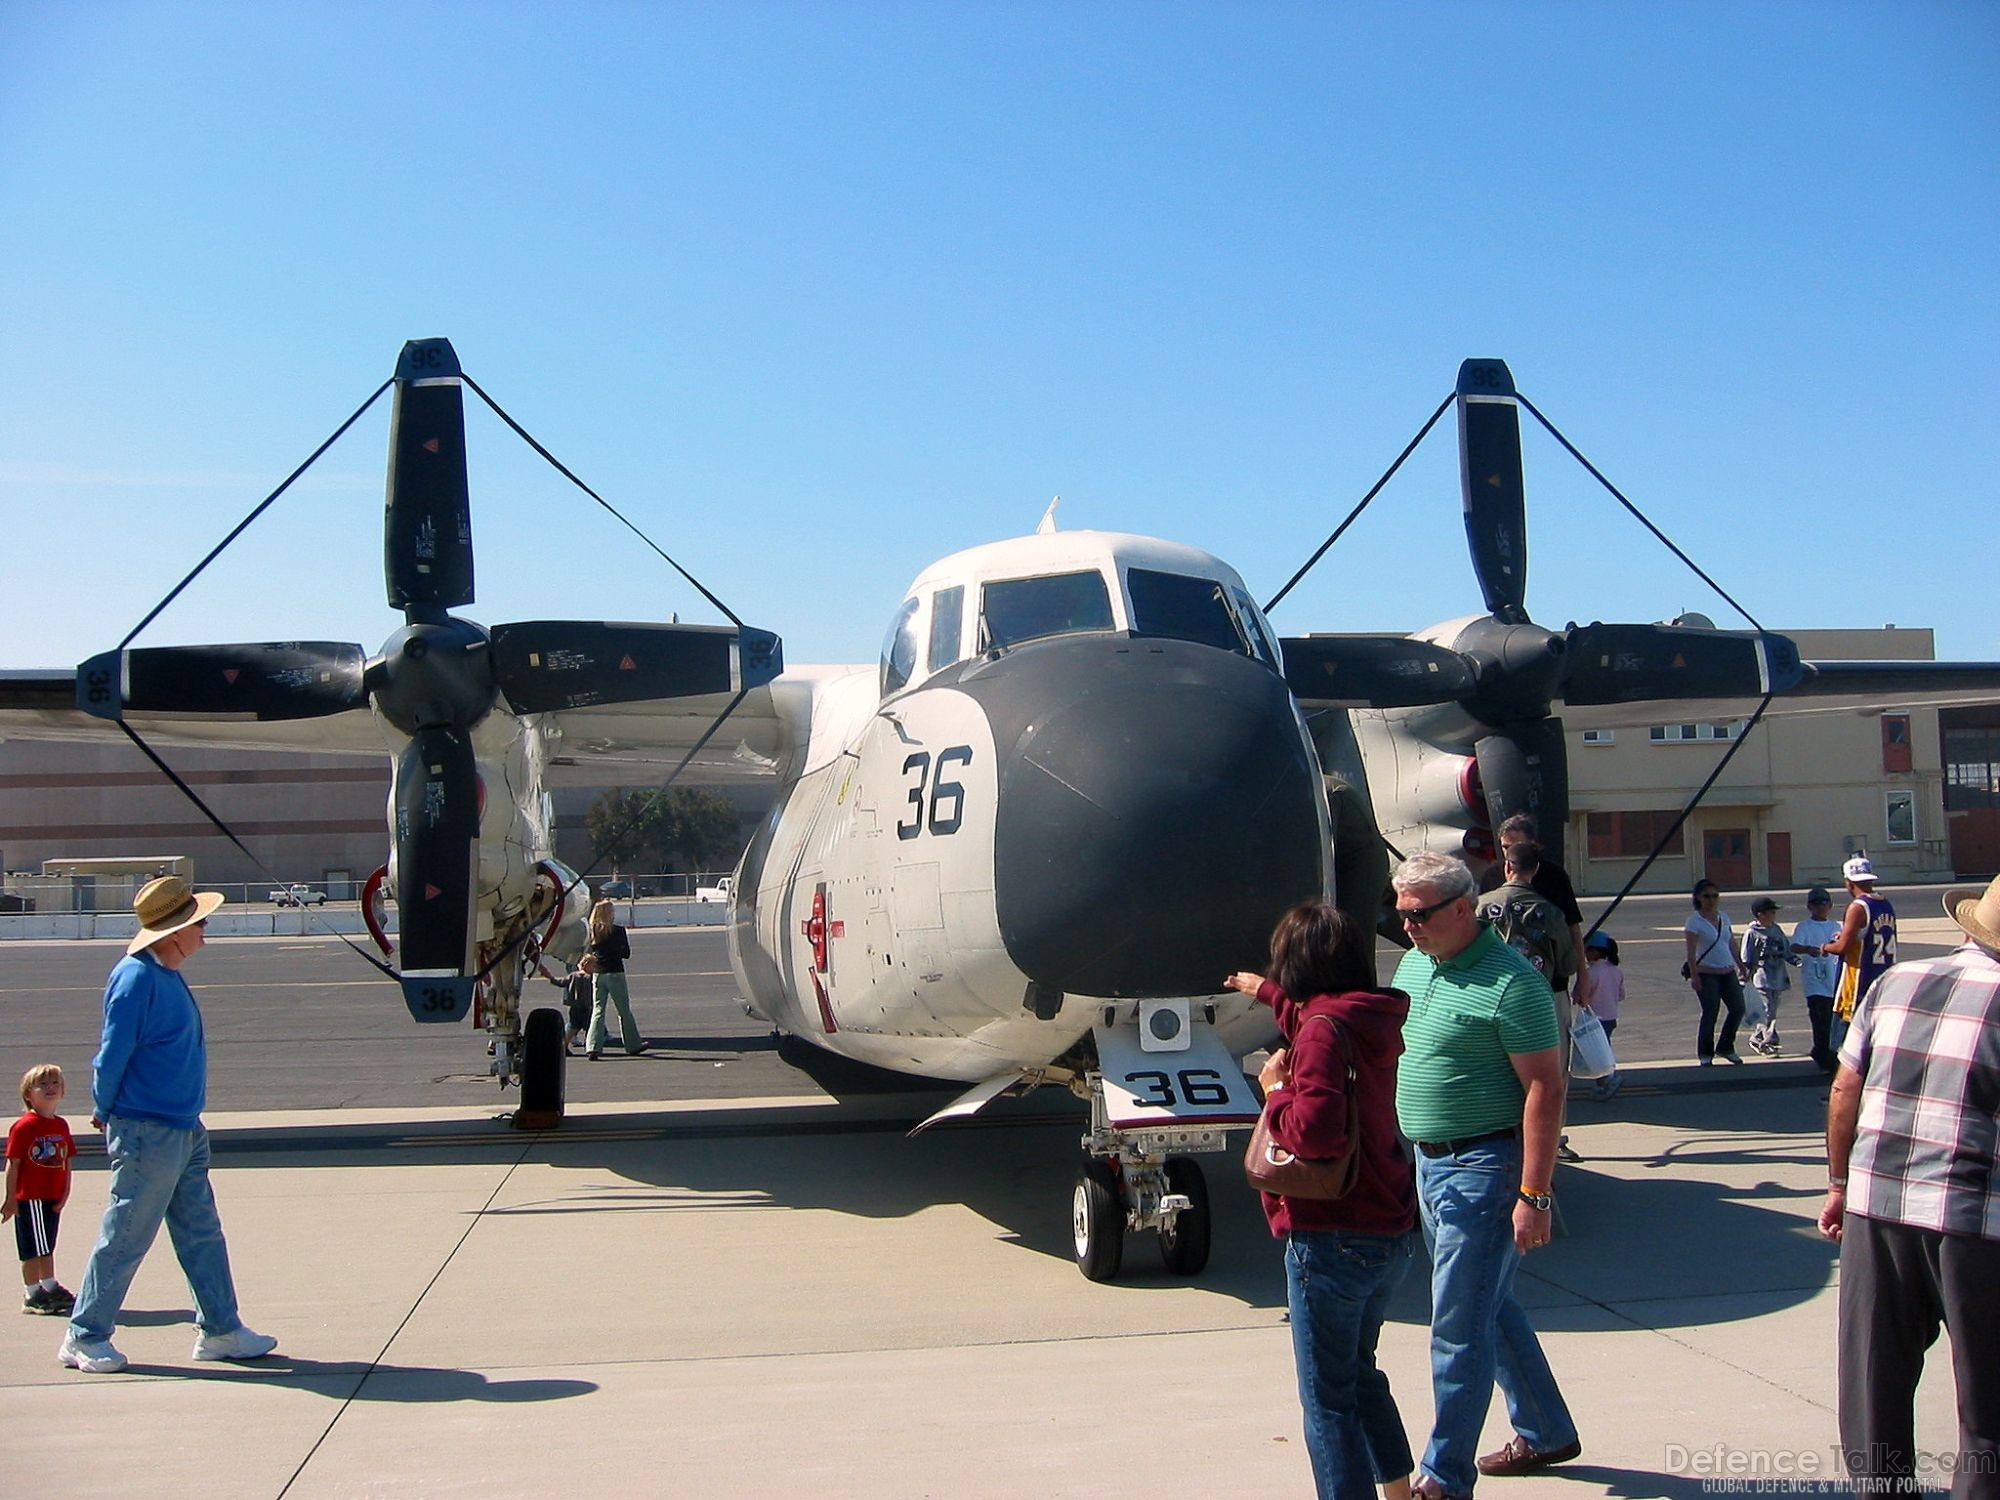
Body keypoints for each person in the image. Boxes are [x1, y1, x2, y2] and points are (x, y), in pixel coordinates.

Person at [1389, 852, 1580, 1497]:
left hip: (1484, 1169)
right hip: (1430, 1163)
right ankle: (1547, 1429)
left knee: (1457, 1326)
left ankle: (1442, 1476)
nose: (1407, 927)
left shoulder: (1511, 983)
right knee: (1486, 1307)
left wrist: (1535, 1193)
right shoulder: (1417, 965)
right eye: (1401, 914)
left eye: (1419, 914)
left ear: (1463, 909)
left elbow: (1546, 1090)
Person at [1225, 904, 1417, 1500]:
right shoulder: (1370, 1018)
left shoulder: (1320, 1032)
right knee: (1359, 1375)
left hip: (1330, 1234)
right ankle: (1401, 1490)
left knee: (1326, 1402)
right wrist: (1269, 995)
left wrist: (1275, 1093)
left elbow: (1316, 1131)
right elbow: (1320, 1026)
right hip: (1389, 1227)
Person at [1818, 873, 2000, 1497]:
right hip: (1978, 1221)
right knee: (1987, 1412)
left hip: (1876, 1206)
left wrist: (1840, 1184)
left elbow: (1846, 1089)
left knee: (1875, 1389)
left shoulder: (1896, 984)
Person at [59, 876, 277, 1374]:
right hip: (148, 1130)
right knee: (128, 1232)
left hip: (182, 1127)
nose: (205, 930)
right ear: (175, 931)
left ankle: (221, 1328)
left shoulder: (164, 974)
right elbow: (111, 1054)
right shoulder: (136, 979)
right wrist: (104, 1106)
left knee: (201, 1230)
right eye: (199, 922)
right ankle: (85, 1334)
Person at [1479, 814, 1592, 1010]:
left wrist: (1583, 976)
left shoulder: (1554, 876)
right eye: (1505, 847)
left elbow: (1573, 927)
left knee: (1554, 1038)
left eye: (1517, 845)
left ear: (1533, 844)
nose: (1510, 853)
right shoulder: (1490, 877)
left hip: (1550, 985)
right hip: (1500, 985)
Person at [6, 1063, 75, 1315]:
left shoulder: (60, 1125)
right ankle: (32, 1293)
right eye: (42, 1084)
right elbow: (13, 1163)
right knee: (34, 1248)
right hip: (31, 1197)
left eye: (55, 1083)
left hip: (52, 1196)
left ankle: (50, 1285)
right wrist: (11, 1199)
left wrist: (65, 1191)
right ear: (28, 1094)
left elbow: (66, 1160)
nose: (50, 1088)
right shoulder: (24, 1127)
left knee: (47, 1244)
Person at [1820, 856, 1898, 1037]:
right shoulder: (1885, 904)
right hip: (1884, 978)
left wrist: (1825, 947)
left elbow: (1842, 948)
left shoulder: (1858, 907)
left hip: (1859, 981)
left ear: (1848, 882)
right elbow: (1869, 934)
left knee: (1847, 1046)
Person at [1684, 880, 1747, 1065]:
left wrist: (1741, 966)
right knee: (1711, 1011)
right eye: (1707, 896)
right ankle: (1705, 1053)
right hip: (1706, 973)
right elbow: (1690, 952)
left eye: (1715, 896)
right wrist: (1694, 976)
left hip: (1727, 971)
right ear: (1698, 898)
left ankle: (1726, 1046)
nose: (1711, 900)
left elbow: (1731, 943)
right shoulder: (1694, 921)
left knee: (1738, 1008)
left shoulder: (1723, 917)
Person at [583, 898, 644, 1060]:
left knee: (598, 1010)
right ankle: (632, 1044)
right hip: (615, 972)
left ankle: (593, 1046)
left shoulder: (592, 932)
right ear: (608, 914)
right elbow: (626, 954)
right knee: (623, 1010)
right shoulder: (617, 931)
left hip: (598, 973)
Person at [1792, 886, 1843, 1074]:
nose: (1820, 907)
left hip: (1833, 981)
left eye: (1823, 903)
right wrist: (1808, 949)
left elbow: (1842, 944)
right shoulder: (1804, 926)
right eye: (1815, 903)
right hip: (1814, 982)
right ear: (1809, 907)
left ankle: (1826, 1053)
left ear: (1830, 906)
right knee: (1819, 1020)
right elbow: (1794, 946)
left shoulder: (1835, 926)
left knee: (1833, 1022)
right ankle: (1824, 1057)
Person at [1739, 897, 1799, 1057]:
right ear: (1760, 915)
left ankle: (1757, 1037)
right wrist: (1744, 975)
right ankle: (1769, 1041)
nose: (1774, 915)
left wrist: (1795, 960)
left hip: (1777, 976)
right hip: (1761, 977)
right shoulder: (1752, 933)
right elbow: (1746, 957)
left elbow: (1785, 949)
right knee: (1767, 1010)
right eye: (1771, 912)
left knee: (1772, 1010)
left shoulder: (1776, 929)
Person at [1579, 932, 1623, 1101]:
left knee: (1595, 1054)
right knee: (1604, 1049)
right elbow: (1621, 995)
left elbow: (1581, 995)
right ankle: (1600, 1083)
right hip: (1611, 1017)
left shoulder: (1590, 973)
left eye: (1587, 950)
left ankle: (1608, 1079)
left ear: (1595, 952)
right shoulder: (1616, 971)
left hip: (1594, 1018)